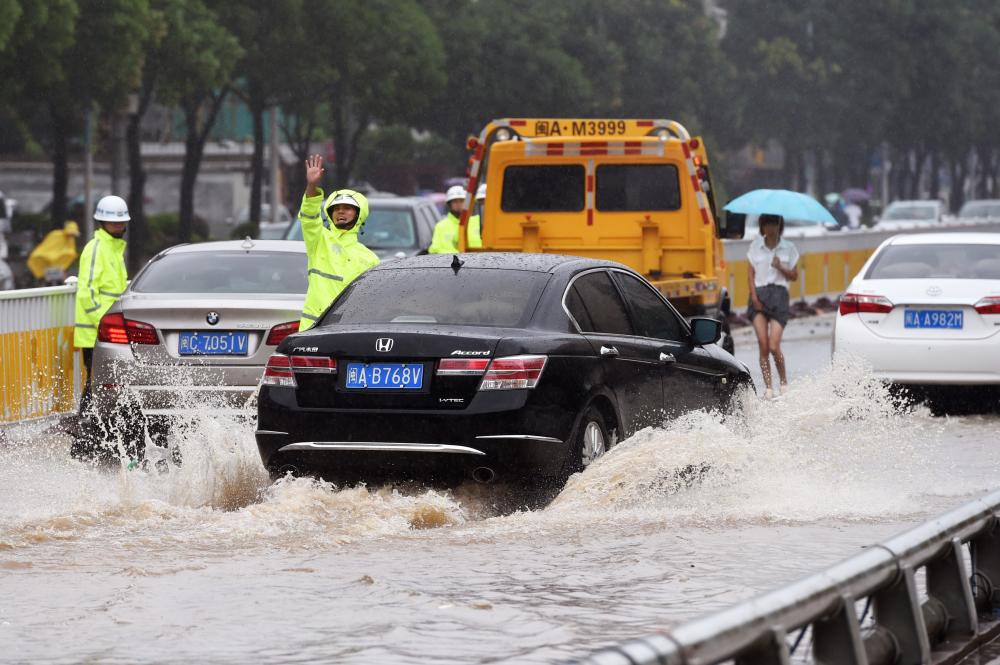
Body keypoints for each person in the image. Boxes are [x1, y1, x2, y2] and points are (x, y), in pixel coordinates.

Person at [298, 154, 379, 330]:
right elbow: (309, 217)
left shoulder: (370, 258)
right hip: (311, 330)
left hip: (348, 331)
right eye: (337, 208)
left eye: (347, 208)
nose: (341, 212)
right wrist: (312, 185)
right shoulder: (319, 240)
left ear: (359, 214)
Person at [74, 195, 129, 419]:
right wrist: (103, 324)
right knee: (97, 381)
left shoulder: (114, 250)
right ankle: (87, 425)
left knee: (110, 380)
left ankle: (98, 426)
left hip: (110, 330)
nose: (119, 225)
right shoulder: (96, 248)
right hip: (98, 331)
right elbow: (86, 292)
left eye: (122, 221)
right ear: (101, 222)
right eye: (114, 222)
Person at [747, 213, 799, 399]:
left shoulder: (789, 248)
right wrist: (754, 297)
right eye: (766, 224)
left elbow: (794, 276)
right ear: (762, 227)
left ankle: (783, 382)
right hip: (759, 295)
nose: (770, 228)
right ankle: (768, 386)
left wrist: (780, 267)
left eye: (773, 224)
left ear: (779, 226)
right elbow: (750, 274)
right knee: (762, 343)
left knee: (773, 345)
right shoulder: (755, 247)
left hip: (779, 296)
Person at [429, 185, 481, 253]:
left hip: (480, 262)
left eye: (461, 201)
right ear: (449, 205)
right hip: (451, 263)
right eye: (455, 202)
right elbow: (434, 249)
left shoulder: (478, 222)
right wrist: (457, 256)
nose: (459, 204)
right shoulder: (441, 227)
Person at [27, 220, 81, 286]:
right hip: (44, 261)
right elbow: (47, 247)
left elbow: (70, 253)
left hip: (59, 266)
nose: (71, 236)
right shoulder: (55, 234)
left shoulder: (70, 239)